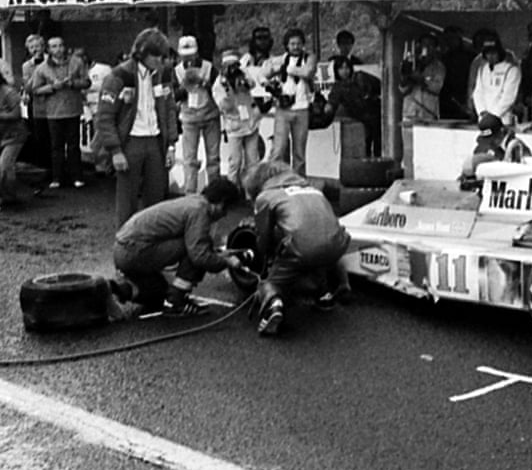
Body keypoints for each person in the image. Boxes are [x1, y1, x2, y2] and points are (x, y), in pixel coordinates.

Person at [243, 161, 352, 336]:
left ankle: (274, 306)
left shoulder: (266, 196)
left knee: (269, 284)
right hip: (336, 247)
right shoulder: (315, 191)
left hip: (302, 250)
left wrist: (268, 258)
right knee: (319, 253)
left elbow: (263, 239)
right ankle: (328, 292)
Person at [109, 177, 244, 315]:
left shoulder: (193, 201)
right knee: (197, 248)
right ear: (221, 203)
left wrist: (218, 254)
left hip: (123, 250)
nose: (225, 215)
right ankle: (177, 301)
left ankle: (121, 289)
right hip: (134, 251)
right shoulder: (199, 211)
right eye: (226, 209)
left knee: (159, 292)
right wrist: (226, 261)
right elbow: (199, 255)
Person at [95, 28, 179, 226]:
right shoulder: (118, 75)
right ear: (142, 53)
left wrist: (171, 145)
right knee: (127, 199)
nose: (161, 60)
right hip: (129, 142)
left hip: (156, 141)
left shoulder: (164, 73)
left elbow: (169, 109)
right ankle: (126, 241)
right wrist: (115, 150)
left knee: (157, 197)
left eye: (163, 56)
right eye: (157, 56)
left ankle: (155, 240)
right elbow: (104, 117)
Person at [30, 36, 90, 189]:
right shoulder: (42, 68)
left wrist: (73, 83)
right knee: (56, 146)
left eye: (60, 45)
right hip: (53, 112)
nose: (58, 49)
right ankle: (57, 177)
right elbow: (35, 90)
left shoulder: (77, 62)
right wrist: (52, 87)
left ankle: (76, 176)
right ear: (49, 50)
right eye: (54, 46)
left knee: (73, 145)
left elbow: (87, 82)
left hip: (73, 109)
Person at [173, 36, 221, 193]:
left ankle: (214, 191)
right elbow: (173, 95)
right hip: (189, 117)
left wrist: (205, 84)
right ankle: (190, 192)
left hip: (210, 115)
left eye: (191, 54)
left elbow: (220, 89)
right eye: (185, 55)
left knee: (213, 157)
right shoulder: (177, 70)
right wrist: (184, 87)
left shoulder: (208, 67)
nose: (188, 57)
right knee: (189, 159)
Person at [267, 27, 316, 177]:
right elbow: (265, 71)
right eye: (292, 44)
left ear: (303, 44)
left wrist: (287, 69)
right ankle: (274, 180)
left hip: (302, 108)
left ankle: (298, 182)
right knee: (278, 149)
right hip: (283, 108)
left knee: (299, 152)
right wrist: (268, 82)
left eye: (298, 43)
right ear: (287, 45)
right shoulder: (281, 58)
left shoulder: (309, 57)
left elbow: (308, 72)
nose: (295, 47)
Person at [213, 49, 261, 192]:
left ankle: (251, 191)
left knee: (253, 161)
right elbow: (223, 106)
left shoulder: (243, 74)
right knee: (235, 162)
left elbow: (252, 85)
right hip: (234, 125)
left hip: (250, 122)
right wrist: (228, 90)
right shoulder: (219, 84)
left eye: (235, 64)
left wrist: (243, 79)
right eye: (229, 65)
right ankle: (232, 191)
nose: (233, 68)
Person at [326, 56, 382, 156]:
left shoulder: (360, 77)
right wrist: (327, 108)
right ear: (336, 70)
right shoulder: (338, 87)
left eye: (347, 67)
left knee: (378, 144)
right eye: (341, 68)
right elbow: (332, 102)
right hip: (361, 119)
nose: (344, 71)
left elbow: (380, 86)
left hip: (376, 114)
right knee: (366, 146)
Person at [459, 113, 529, 191]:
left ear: (501, 131)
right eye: (487, 139)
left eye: (493, 138)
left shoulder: (516, 147)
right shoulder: (483, 146)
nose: (491, 142)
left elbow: (525, 173)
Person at [472, 34, 521, 126]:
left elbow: (509, 97)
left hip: (502, 120)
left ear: (499, 52)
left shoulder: (512, 70)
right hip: (483, 119)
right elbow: (478, 92)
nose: (490, 56)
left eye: (493, 53)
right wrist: (482, 111)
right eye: (487, 53)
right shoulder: (482, 69)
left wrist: (493, 115)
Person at [20, 34, 50, 172]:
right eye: (31, 47)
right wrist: (38, 70)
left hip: (53, 103)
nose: (35, 49)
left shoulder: (52, 61)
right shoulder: (27, 66)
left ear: (43, 47)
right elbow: (28, 86)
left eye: (37, 46)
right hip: (37, 105)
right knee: (40, 135)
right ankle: (44, 166)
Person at [0, 69, 29, 209]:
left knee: (5, 166)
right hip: (2, 134)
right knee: (6, 167)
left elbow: (16, 114)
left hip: (14, 135)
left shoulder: (8, 92)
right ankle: (7, 196)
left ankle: (8, 197)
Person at [400, 33, 445, 122]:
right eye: (424, 44)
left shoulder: (439, 67)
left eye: (430, 45)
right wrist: (407, 77)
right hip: (410, 113)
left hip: (428, 114)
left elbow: (437, 88)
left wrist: (421, 79)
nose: (426, 48)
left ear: (435, 48)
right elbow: (402, 89)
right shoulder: (411, 63)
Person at [438, 26, 475, 120]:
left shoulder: (470, 57)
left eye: (453, 38)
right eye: (447, 39)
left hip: (464, 99)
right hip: (446, 101)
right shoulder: (443, 58)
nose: (450, 41)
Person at [240, 26, 274, 111]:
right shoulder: (245, 59)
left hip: (266, 102)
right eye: (259, 38)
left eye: (265, 38)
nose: (262, 41)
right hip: (246, 101)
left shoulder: (273, 61)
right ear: (253, 41)